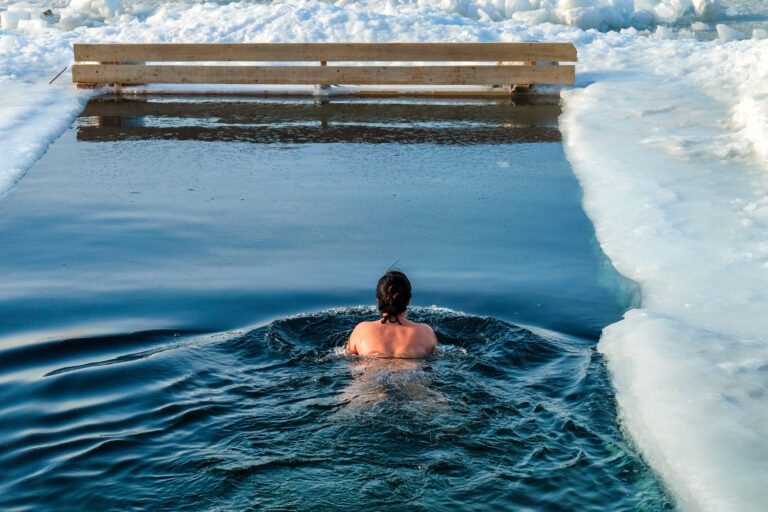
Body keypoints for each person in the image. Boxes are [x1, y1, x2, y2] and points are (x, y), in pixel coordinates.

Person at [346, 271, 438, 358]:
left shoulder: (361, 330)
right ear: (408, 301)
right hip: (411, 373)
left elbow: (348, 359)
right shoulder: (426, 332)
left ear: (378, 300)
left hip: (373, 372)